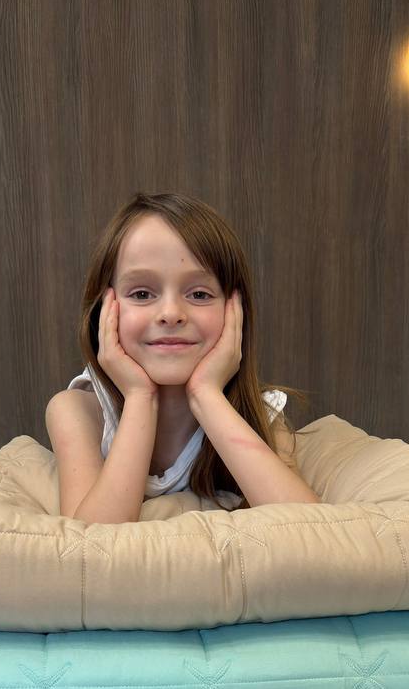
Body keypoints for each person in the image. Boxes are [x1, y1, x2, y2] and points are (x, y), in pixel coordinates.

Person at [45, 192, 322, 523]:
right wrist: (140, 397)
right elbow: (91, 539)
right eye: (142, 294)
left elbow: (307, 528)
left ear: (235, 312)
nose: (171, 313)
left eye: (199, 294)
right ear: (103, 311)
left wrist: (206, 395)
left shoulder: (258, 416)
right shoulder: (78, 411)